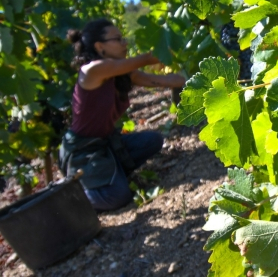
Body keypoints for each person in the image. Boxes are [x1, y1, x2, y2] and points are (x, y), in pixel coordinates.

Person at [59, 18, 185, 211]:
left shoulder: (124, 73)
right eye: (118, 39)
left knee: (153, 141)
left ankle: (108, 176)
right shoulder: (91, 71)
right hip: (82, 151)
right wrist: (162, 53)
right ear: (100, 46)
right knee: (117, 197)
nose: (125, 43)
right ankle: (74, 195)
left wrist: (201, 75)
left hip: (106, 144)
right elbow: (144, 59)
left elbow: (162, 81)